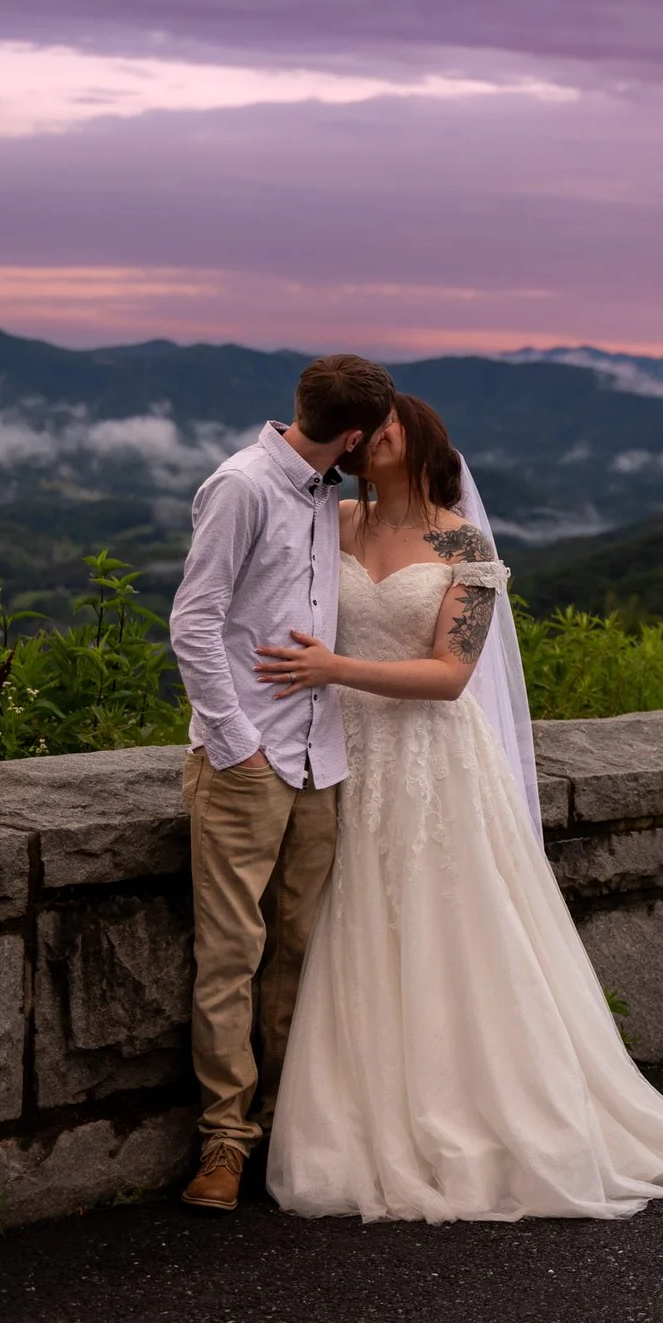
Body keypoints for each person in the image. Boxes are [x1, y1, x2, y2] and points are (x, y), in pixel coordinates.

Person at [255, 393, 663, 1221]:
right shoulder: (335, 520)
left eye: (384, 429)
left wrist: (335, 670)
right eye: (361, 433)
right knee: (346, 926)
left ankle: (475, 1115)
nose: (369, 441)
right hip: (339, 755)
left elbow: (449, 677)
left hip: (431, 762)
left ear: (418, 439)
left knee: (447, 929)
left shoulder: (462, 545)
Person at [165, 353, 398, 1211]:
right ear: (349, 436)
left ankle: (284, 1130)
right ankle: (225, 1143)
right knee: (231, 956)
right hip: (248, 763)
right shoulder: (241, 486)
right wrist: (236, 746)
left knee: (300, 952)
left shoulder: (327, 497)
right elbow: (193, 624)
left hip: (322, 761)